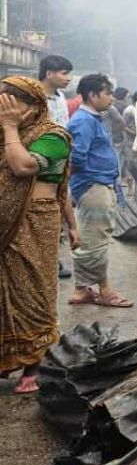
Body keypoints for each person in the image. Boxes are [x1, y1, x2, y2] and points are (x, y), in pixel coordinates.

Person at [0, 76, 78, 393]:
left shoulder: (53, 135)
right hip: (4, 223)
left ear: (33, 106)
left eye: (10, 104)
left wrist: (72, 225)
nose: (4, 110)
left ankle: (33, 366)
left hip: (35, 223)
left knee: (32, 292)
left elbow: (24, 167)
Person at [67, 74, 133, 307]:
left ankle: (81, 289)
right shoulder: (84, 121)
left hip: (97, 183)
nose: (111, 98)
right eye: (107, 93)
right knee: (95, 239)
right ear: (93, 95)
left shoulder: (92, 119)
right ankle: (104, 291)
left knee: (92, 236)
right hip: (93, 186)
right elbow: (76, 157)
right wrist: (86, 181)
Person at [39, 55, 73, 279]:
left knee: (57, 209)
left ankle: (53, 256)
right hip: (38, 161)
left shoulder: (61, 99)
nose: (68, 78)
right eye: (64, 73)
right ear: (49, 73)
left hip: (60, 162)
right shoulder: (35, 97)